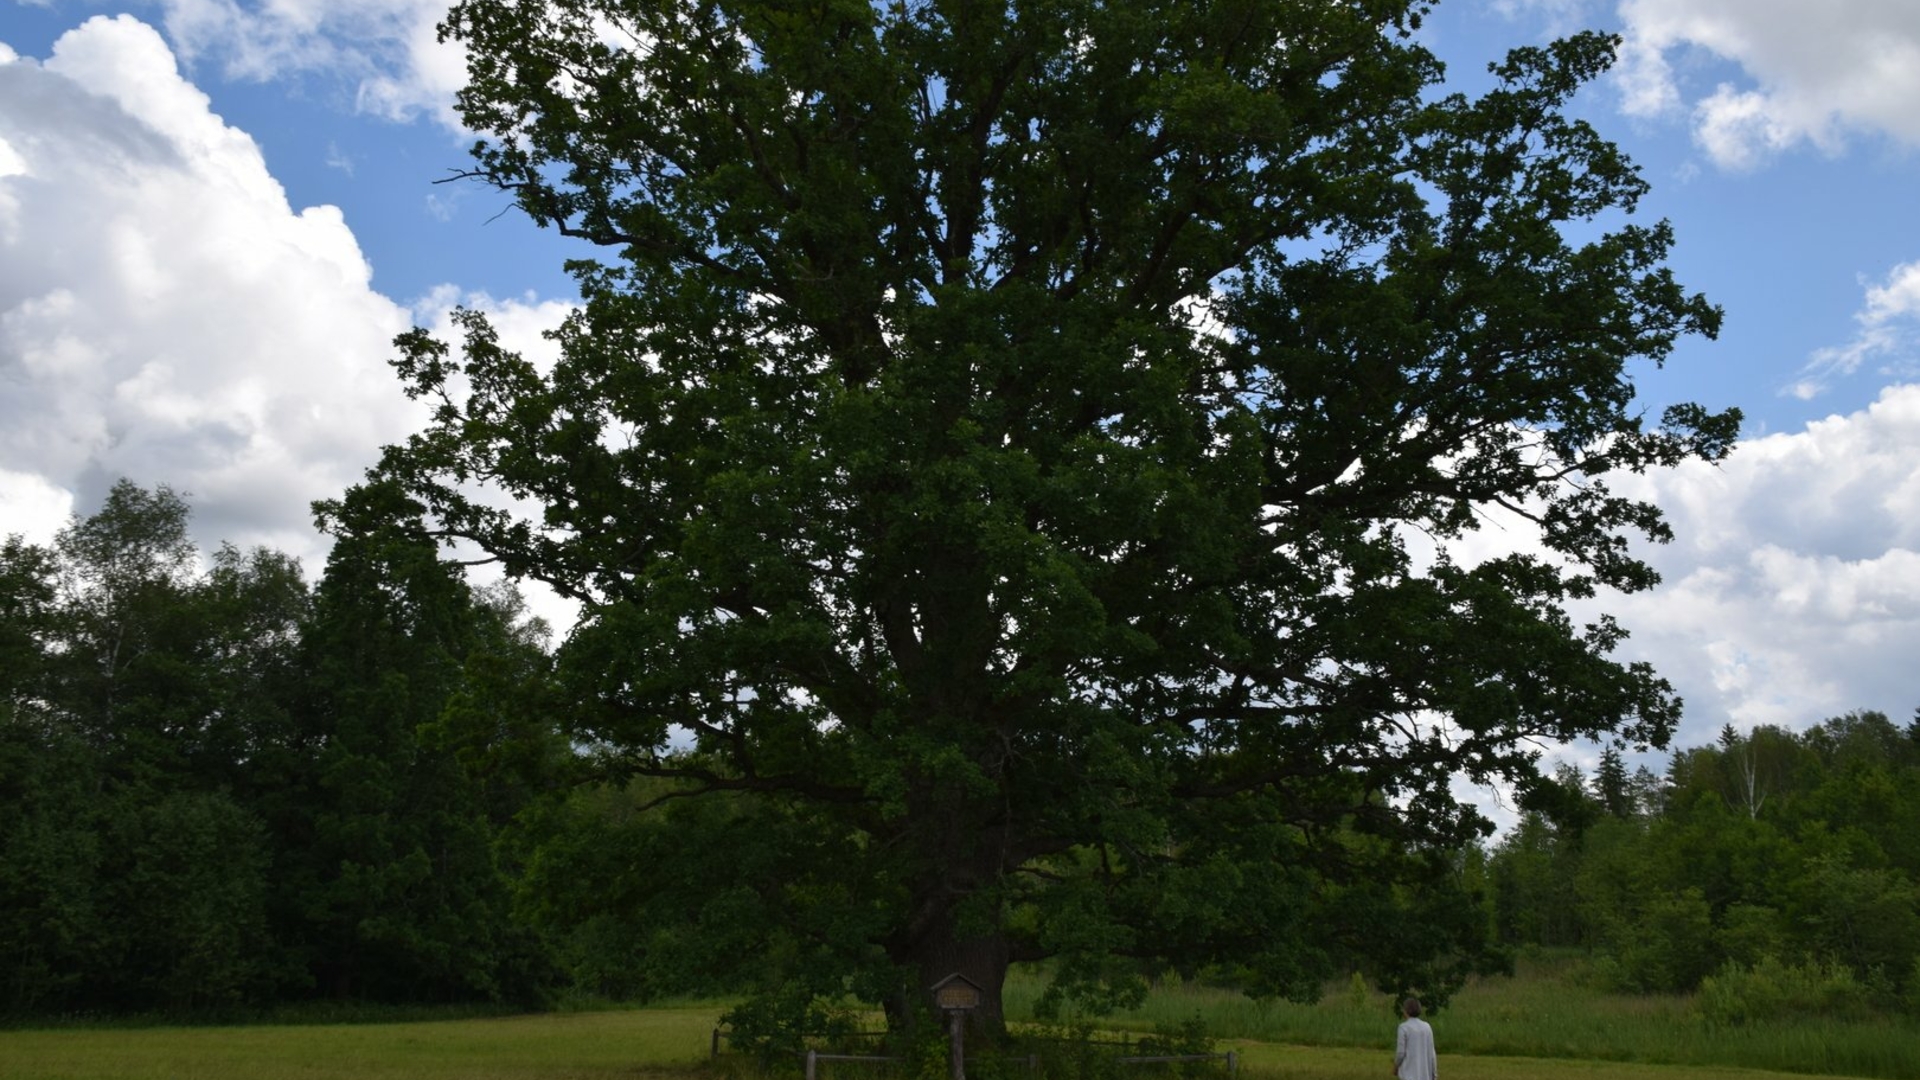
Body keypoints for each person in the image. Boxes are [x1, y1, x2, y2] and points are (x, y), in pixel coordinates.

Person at [1394, 997, 1436, 1080]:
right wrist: (1434, 1074)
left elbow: (1401, 1053)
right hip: (1425, 1075)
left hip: (1409, 1075)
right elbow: (1432, 1053)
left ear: (1406, 1011)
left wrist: (1396, 1067)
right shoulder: (1427, 1027)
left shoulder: (1403, 1028)